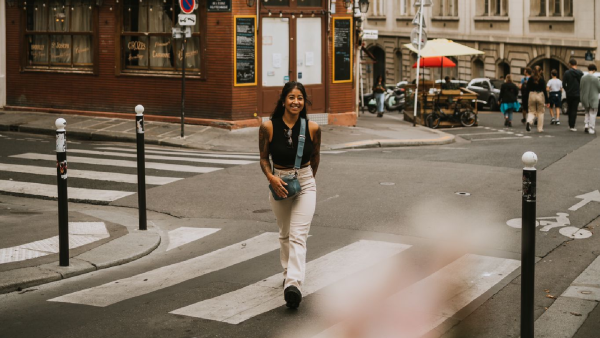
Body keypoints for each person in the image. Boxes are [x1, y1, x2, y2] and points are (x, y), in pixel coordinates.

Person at [258, 81, 321, 309]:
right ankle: (288, 273)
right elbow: (264, 158)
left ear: (304, 102)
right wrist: (272, 178)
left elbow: (315, 159)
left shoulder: (313, 128)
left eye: (300, 98)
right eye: (292, 97)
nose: (296, 102)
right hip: (279, 182)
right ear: (284, 100)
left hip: (305, 182)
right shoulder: (268, 127)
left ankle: (293, 283)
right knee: (284, 234)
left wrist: (306, 180)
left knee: (298, 234)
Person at [526, 67, 549, 132]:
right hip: (540, 95)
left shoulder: (530, 79)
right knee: (540, 112)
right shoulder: (542, 79)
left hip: (532, 94)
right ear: (540, 71)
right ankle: (539, 128)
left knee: (531, 111)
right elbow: (544, 90)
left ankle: (529, 121)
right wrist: (547, 101)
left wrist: (527, 97)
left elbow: (527, 89)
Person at [563, 58, 584, 131]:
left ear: (570, 64)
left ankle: (569, 124)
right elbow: (582, 83)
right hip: (577, 93)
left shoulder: (566, 73)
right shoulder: (580, 73)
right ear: (576, 64)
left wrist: (567, 90)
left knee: (569, 108)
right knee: (574, 110)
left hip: (569, 94)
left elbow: (563, 84)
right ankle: (572, 125)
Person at [580, 64, 600, 134]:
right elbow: (599, 88)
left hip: (585, 97)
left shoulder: (583, 78)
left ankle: (586, 124)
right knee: (593, 112)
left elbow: (581, 88)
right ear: (594, 70)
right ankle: (591, 128)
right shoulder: (596, 79)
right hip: (593, 98)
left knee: (586, 111)